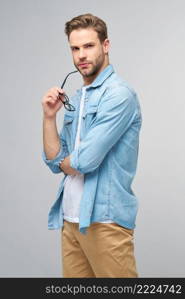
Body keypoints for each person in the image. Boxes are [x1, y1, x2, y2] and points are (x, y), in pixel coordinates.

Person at [41, 13, 142, 278]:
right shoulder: (77, 97)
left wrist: (68, 162)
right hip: (71, 221)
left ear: (105, 45)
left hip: (104, 222)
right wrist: (49, 117)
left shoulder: (119, 95)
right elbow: (54, 161)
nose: (81, 55)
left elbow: (84, 162)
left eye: (88, 46)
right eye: (75, 48)